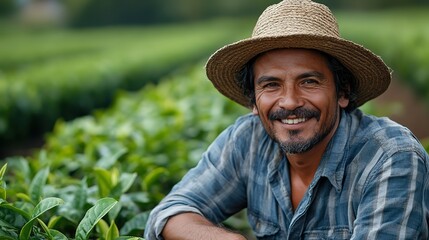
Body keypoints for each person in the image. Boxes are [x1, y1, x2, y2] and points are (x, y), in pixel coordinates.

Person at [145, 0, 429, 239]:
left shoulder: (390, 156)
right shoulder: (248, 140)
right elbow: (169, 213)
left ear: (342, 92)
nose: (290, 102)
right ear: (253, 101)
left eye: (309, 82)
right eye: (271, 85)